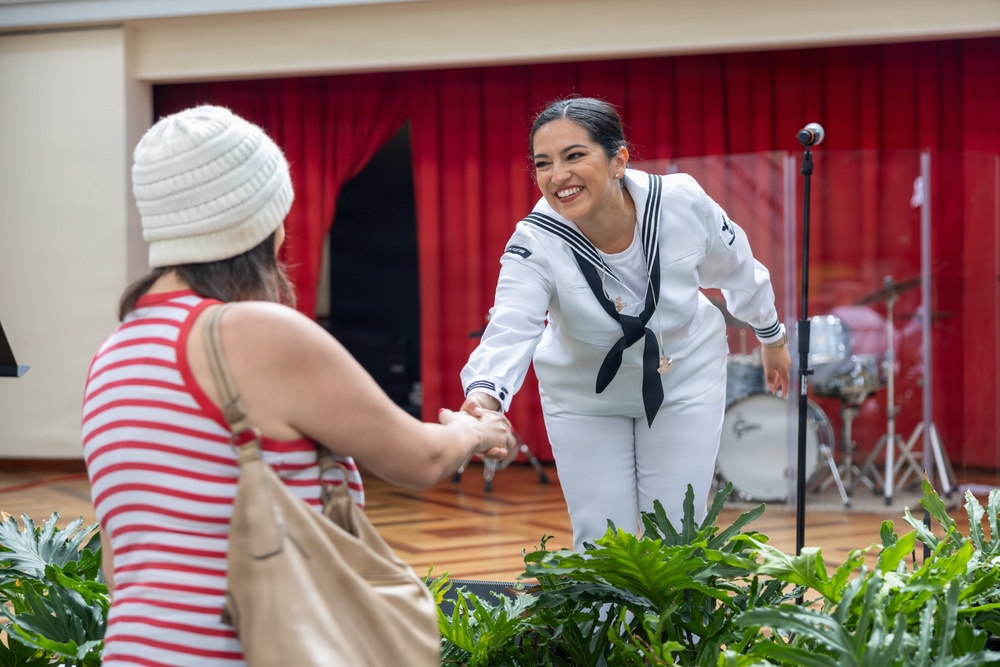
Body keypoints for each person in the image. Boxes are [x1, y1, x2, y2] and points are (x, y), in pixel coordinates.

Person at [81, 105, 514, 667]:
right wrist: (475, 432)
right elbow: (420, 458)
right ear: (262, 217)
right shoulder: (256, 333)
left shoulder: (114, 351)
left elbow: (122, 557)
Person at [460, 97, 791, 552]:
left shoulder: (680, 202)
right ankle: (602, 625)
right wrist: (485, 399)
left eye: (574, 156)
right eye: (543, 163)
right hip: (583, 394)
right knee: (601, 541)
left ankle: (679, 627)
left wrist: (771, 335)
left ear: (619, 160)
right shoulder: (535, 240)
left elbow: (739, 268)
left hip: (684, 377)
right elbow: (511, 326)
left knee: (676, 535)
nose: (558, 176)